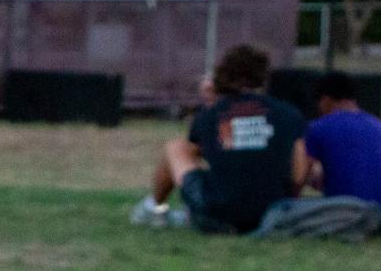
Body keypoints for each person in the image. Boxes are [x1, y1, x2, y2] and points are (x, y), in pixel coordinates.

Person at [131, 44, 308, 234]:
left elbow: (211, 152)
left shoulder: (210, 116)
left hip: (217, 216)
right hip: (274, 214)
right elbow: (299, 173)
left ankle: (154, 208)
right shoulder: (288, 114)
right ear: (262, 76)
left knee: (176, 148)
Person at [304, 69, 381, 213]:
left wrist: (311, 179)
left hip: (341, 213)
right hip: (378, 214)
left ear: (325, 100)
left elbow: (300, 174)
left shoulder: (319, 127)